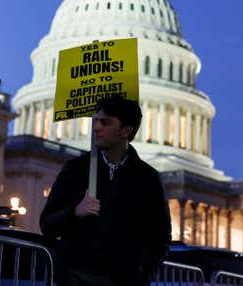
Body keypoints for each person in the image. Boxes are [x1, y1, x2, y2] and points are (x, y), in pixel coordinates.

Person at [40, 95, 171, 285]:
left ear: (126, 130)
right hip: (76, 278)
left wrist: (142, 273)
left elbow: (161, 238)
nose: (96, 127)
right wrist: (75, 212)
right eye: (96, 121)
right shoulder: (75, 169)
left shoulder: (147, 179)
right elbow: (47, 224)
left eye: (105, 122)